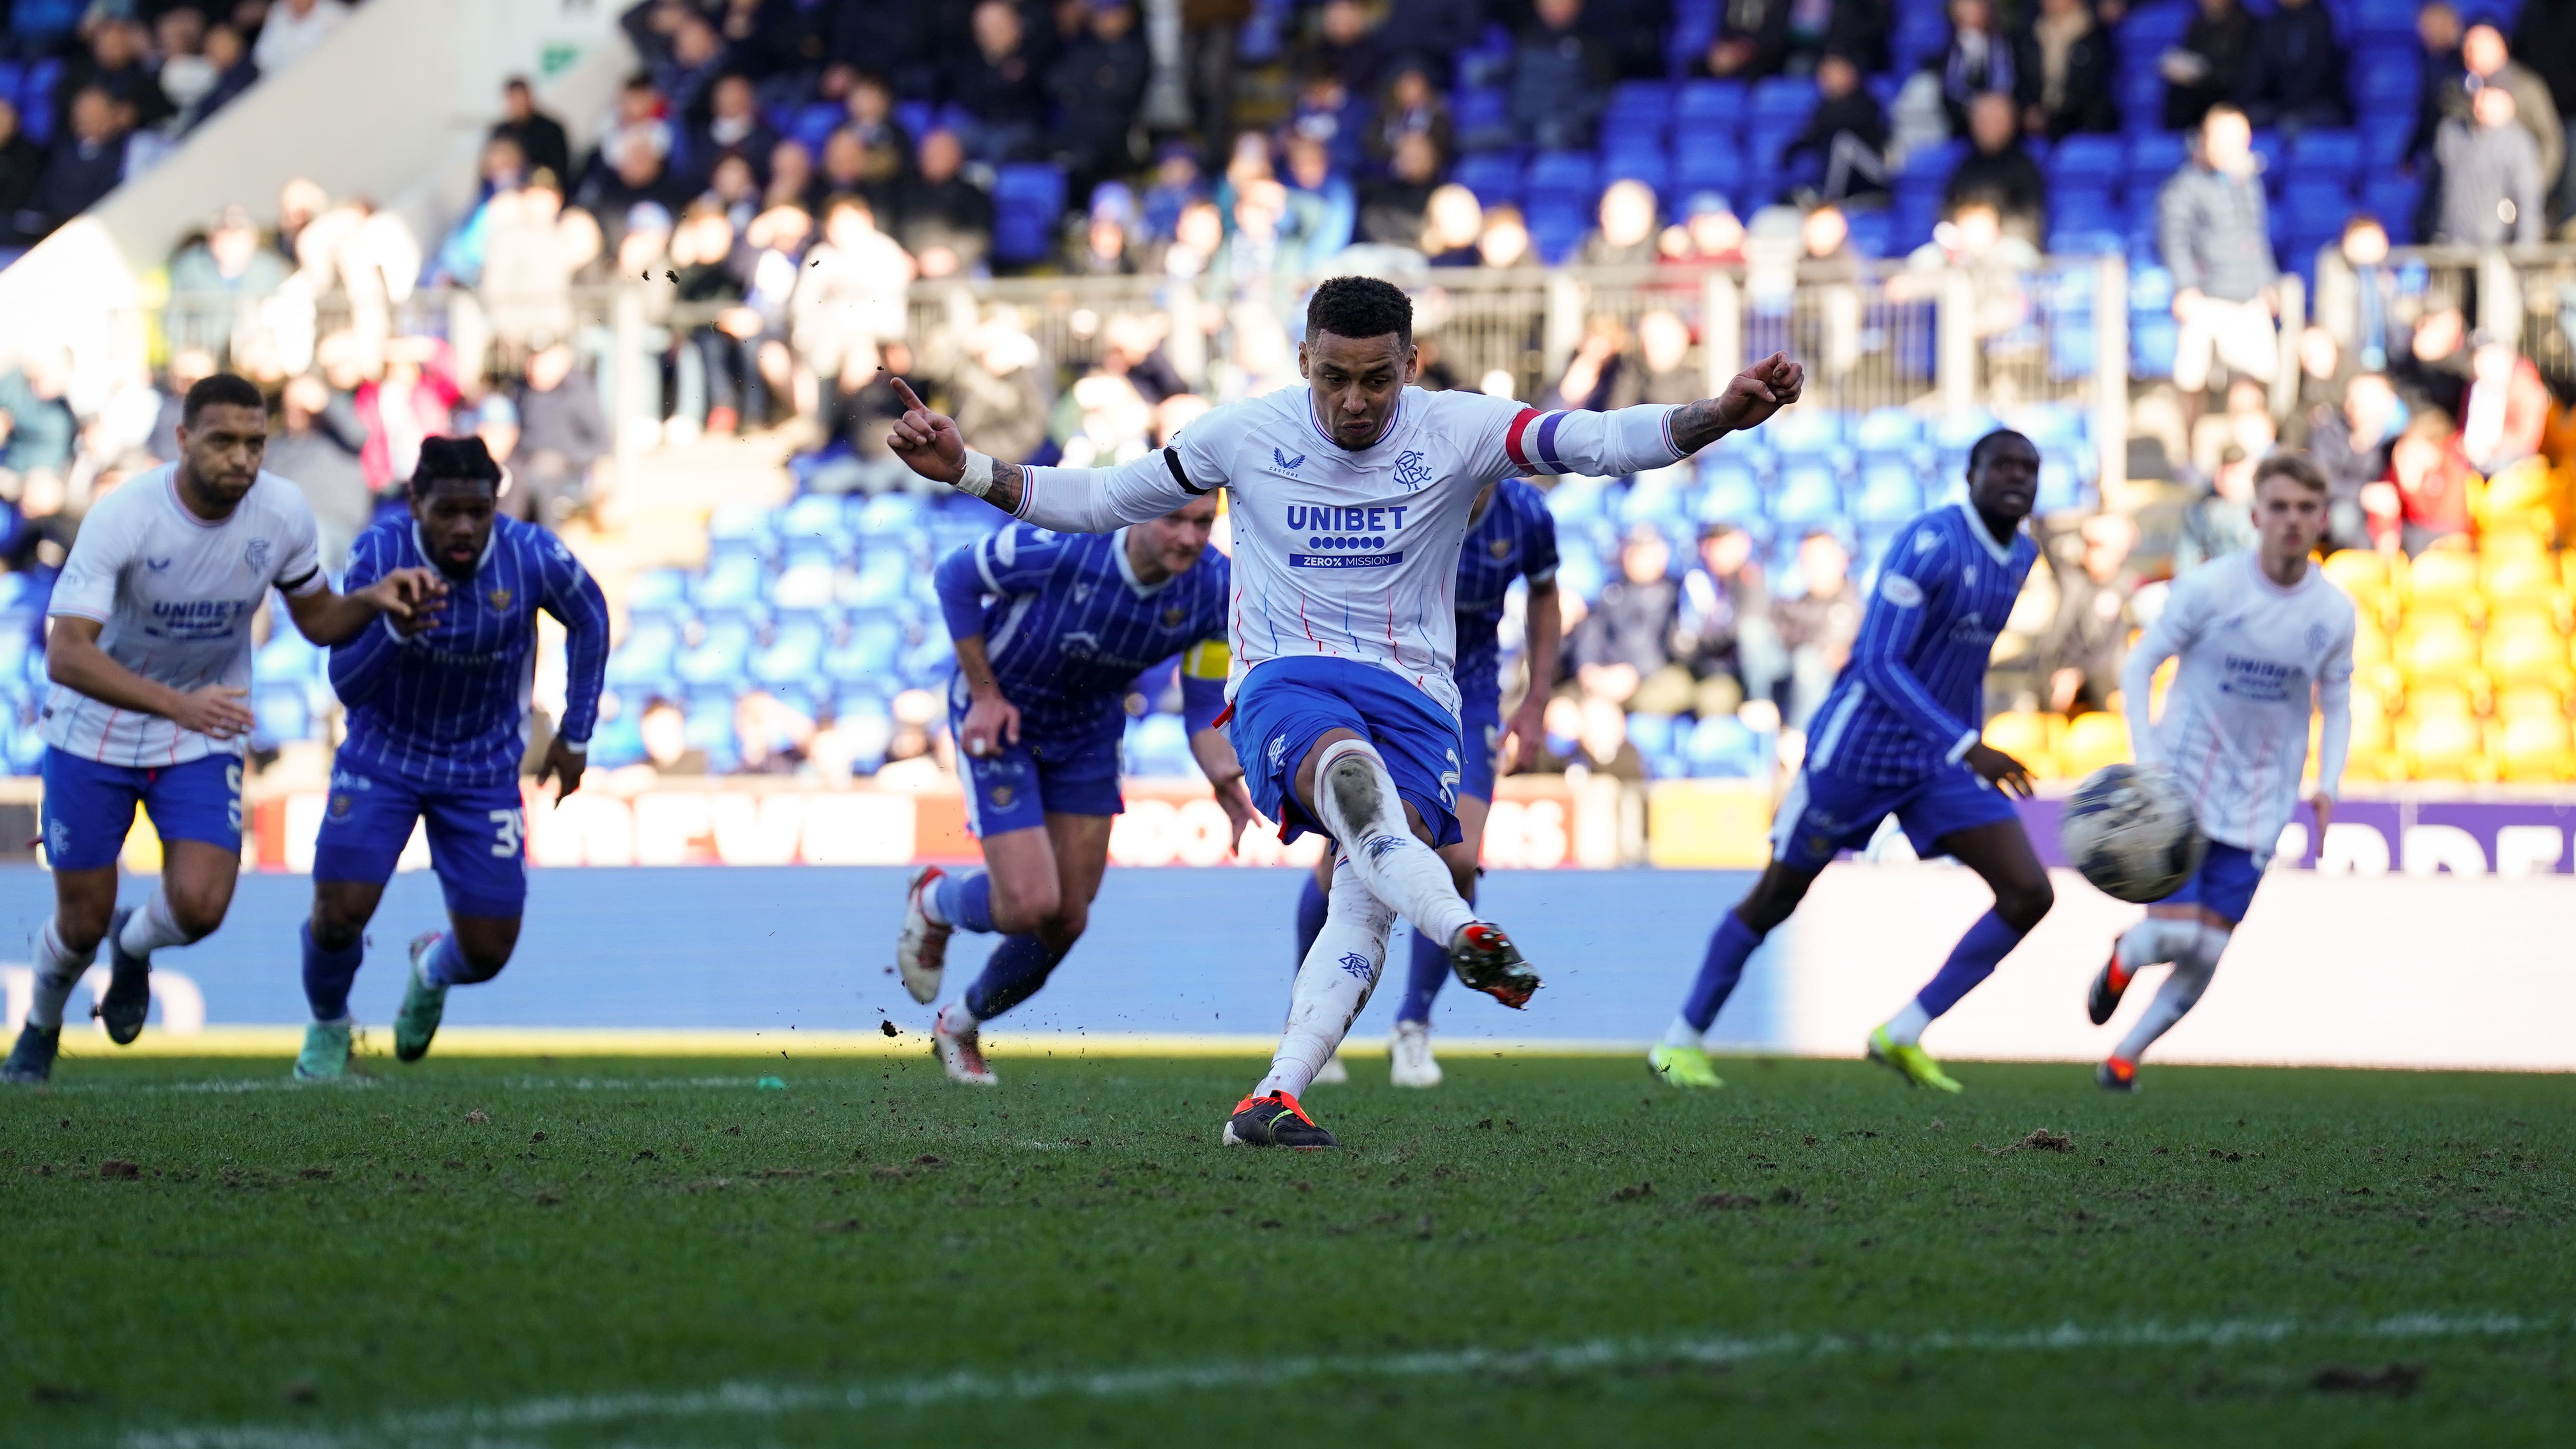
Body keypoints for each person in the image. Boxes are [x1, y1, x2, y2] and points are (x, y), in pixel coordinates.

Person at [885, 275, 1806, 1145]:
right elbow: (1098, 498)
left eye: (1375, 379)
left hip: (1417, 700)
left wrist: (1718, 415)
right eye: (1333, 378)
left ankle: (1276, 1091)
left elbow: (1597, 442)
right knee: (1349, 785)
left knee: (1362, 900)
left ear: (1408, 365)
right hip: (1289, 678)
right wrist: (969, 469)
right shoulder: (1241, 435)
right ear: (1303, 365)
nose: (1354, 401)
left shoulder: (1459, 430)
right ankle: (1462, 931)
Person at [1, 374, 443, 1086]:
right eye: (223, 441)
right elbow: (66, 652)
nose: (241, 458)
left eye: (255, 443)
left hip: (199, 735)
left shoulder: (283, 513)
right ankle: (41, 1028)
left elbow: (319, 620)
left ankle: (134, 945)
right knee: (78, 923)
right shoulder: (126, 515)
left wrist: (372, 601)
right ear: (182, 440)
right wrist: (174, 703)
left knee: (202, 907)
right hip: (93, 734)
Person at [1647, 431, 2047, 1094]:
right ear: (1970, 474)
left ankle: (1904, 1031)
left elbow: (1963, 662)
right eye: (2002, 465)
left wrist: (1960, 743)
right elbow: (1879, 663)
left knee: (2028, 892)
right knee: (1777, 897)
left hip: (1936, 758)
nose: (2018, 478)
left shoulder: (2021, 554)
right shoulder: (1930, 545)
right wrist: (1964, 742)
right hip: (1856, 751)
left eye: (2029, 468)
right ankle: (1678, 1043)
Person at [895, 495, 1255, 1084]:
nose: (1190, 538)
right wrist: (985, 695)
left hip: (1089, 731)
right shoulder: (1066, 544)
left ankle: (959, 1023)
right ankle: (935, 901)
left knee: (1067, 919)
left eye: (1202, 522)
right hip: (1004, 717)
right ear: (1138, 511)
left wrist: (1224, 774)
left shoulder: (1217, 589)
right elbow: (955, 575)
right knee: (1031, 903)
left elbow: (1200, 709)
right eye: (1174, 520)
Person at [290, 438, 608, 1080]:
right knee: (338, 914)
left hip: (482, 767)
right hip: (383, 756)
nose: (464, 526)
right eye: (447, 512)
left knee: (488, 950)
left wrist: (575, 734)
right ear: (416, 503)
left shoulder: (531, 553)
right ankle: (329, 1025)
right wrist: (393, 629)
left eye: (478, 510)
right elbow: (347, 684)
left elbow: (592, 617)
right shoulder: (379, 553)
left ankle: (430, 968)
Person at [2087, 452, 2352, 1090]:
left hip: (2263, 802)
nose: (2292, 520)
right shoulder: (2211, 587)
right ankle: (2125, 955)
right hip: (2183, 791)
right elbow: (2137, 665)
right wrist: (2147, 757)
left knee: (2207, 951)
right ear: (2255, 514)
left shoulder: (2335, 612)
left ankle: (2125, 1057)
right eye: (2280, 507)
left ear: (2322, 518)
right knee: (2170, 941)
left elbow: (2338, 702)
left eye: (2305, 508)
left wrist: (2328, 784)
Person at [1288, 477, 1561, 1089]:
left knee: (1460, 859)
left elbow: (1546, 595)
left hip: (1468, 696)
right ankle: (1311, 1018)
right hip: (1382, 687)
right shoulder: (1396, 497)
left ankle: (1413, 1023)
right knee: (1343, 866)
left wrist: (1537, 698)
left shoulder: (1526, 516)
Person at [2159, 104, 2279, 432]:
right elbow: (2174, 240)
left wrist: (2267, 282)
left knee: (2251, 382)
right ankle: (2189, 461)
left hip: (2247, 295)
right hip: (2206, 297)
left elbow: (2257, 236)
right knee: (2192, 383)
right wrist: (2185, 287)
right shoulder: (2183, 187)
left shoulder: (2249, 184)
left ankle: (2245, 455)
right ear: (2205, 140)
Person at [2432, 84, 2543, 246]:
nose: (2480, 104)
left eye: (2488, 97)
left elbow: (2528, 199)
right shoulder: (2451, 133)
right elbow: (2435, 187)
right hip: (2452, 241)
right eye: (2479, 96)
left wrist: (2526, 247)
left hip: (2496, 245)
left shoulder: (2518, 143)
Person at [2234, 0, 2348, 132]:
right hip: (2278, 106)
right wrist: (2235, 106)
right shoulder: (2272, 23)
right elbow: (2256, 74)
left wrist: (2287, 106)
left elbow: (2316, 74)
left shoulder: (2324, 20)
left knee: (2290, 124)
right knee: (2240, 120)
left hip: (2320, 104)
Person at [2015, 0, 2119, 141]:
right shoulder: (2028, 35)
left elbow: (2096, 86)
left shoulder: (2096, 35)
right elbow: (2021, 79)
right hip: (2040, 122)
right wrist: (2029, 108)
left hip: (2084, 122)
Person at [492, 77, 572, 188]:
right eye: (514, 99)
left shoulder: (551, 130)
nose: (518, 104)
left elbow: (558, 172)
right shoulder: (501, 132)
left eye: (521, 98)